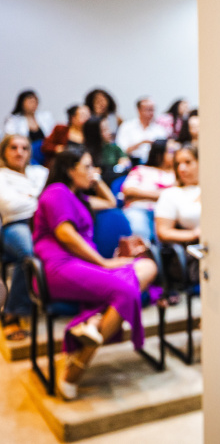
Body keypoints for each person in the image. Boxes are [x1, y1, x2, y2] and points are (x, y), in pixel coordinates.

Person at [32, 147, 158, 400]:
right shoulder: (57, 192)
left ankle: (94, 323)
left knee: (148, 266)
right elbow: (65, 235)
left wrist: (96, 179)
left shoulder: (78, 197)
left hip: (83, 266)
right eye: (87, 167)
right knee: (126, 290)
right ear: (70, 170)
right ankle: (75, 369)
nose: (93, 172)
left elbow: (111, 202)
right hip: (60, 266)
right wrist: (104, 262)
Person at [0, 135, 48, 341]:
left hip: (45, 223)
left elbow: (54, 195)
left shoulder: (40, 172)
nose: (19, 152)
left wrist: (28, 199)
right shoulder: (2, 175)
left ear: (30, 153)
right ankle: (13, 312)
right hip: (14, 224)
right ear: (4, 152)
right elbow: (10, 207)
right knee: (28, 253)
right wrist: (38, 197)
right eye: (13, 148)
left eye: (24, 148)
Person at [122, 139, 176, 243]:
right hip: (139, 209)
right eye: (170, 151)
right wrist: (162, 195)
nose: (174, 155)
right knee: (139, 230)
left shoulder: (176, 174)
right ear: (159, 153)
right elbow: (128, 191)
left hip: (166, 213)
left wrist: (142, 195)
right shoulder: (141, 170)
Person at [154, 144, 200, 246]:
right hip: (194, 247)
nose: (182, 168)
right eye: (178, 164)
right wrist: (193, 234)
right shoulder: (170, 194)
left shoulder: (214, 190)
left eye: (188, 162)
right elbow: (163, 232)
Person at [115, 97, 168, 165]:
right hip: (131, 162)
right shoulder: (127, 126)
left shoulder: (159, 130)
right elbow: (121, 150)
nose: (151, 113)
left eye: (152, 110)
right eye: (147, 110)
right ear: (139, 110)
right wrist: (141, 143)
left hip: (153, 164)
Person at [82, 116, 131, 186]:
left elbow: (126, 161)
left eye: (108, 128)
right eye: (104, 130)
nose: (109, 132)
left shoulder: (114, 147)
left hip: (117, 181)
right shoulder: (85, 153)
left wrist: (123, 164)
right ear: (95, 133)